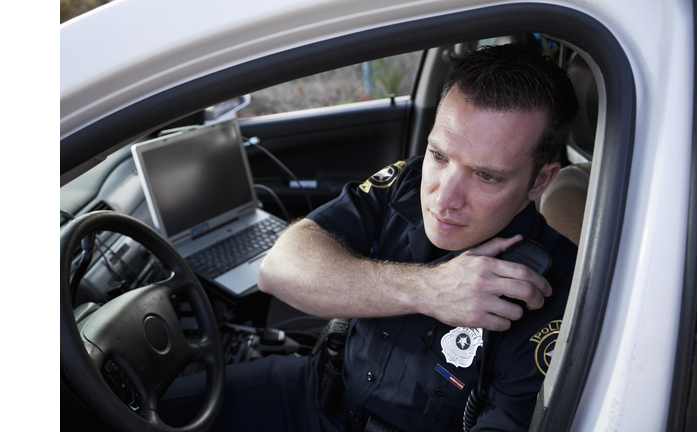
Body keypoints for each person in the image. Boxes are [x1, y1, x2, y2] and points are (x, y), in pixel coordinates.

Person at [160, 43, 579, 432]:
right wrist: (427, 289)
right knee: (144, 408)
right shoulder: (404, 184)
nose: (443, 198)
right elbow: (278, 269)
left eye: (486, 176)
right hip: (320, 395)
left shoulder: (553, 299)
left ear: (540, 181)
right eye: (439, 155)